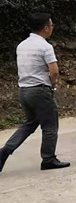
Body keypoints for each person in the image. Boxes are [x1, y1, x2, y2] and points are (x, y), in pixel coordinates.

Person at [1, 13, 70, 173]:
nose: (52, 28)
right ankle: (48, 159)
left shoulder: (21, 45)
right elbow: (54, 71)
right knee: (50, 125)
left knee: (30, 124)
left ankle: (5, 151)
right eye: (51, 25)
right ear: (45, 28)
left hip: (24, 90)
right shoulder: (45, 46)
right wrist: (52, 85)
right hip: (40, 90)